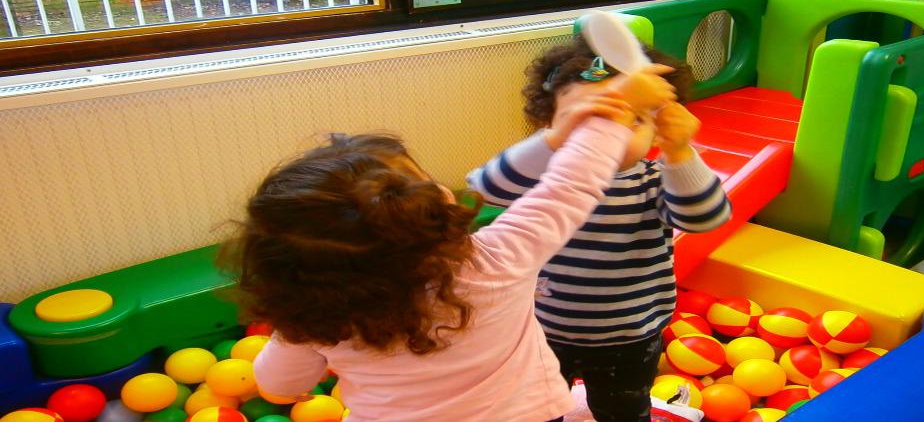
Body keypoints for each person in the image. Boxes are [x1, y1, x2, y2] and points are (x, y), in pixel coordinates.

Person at [226, 67, 675, 421]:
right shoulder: (498, 260)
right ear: (435, 213)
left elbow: (279, 385)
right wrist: (613, 113)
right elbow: (571, 186)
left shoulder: (313, 316)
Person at [466, 37, 732, 421]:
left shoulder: (655, 180)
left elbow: (704, 218)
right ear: (548, 123)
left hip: (629, 336)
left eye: (634, 119)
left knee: (622, 411)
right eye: (590, 116)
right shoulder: (542, 174)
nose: (611, 132)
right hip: (540, 329)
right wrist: (557, 140)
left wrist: (680, 152)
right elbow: (485, 188)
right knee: (536, 410)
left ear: (657, 130)